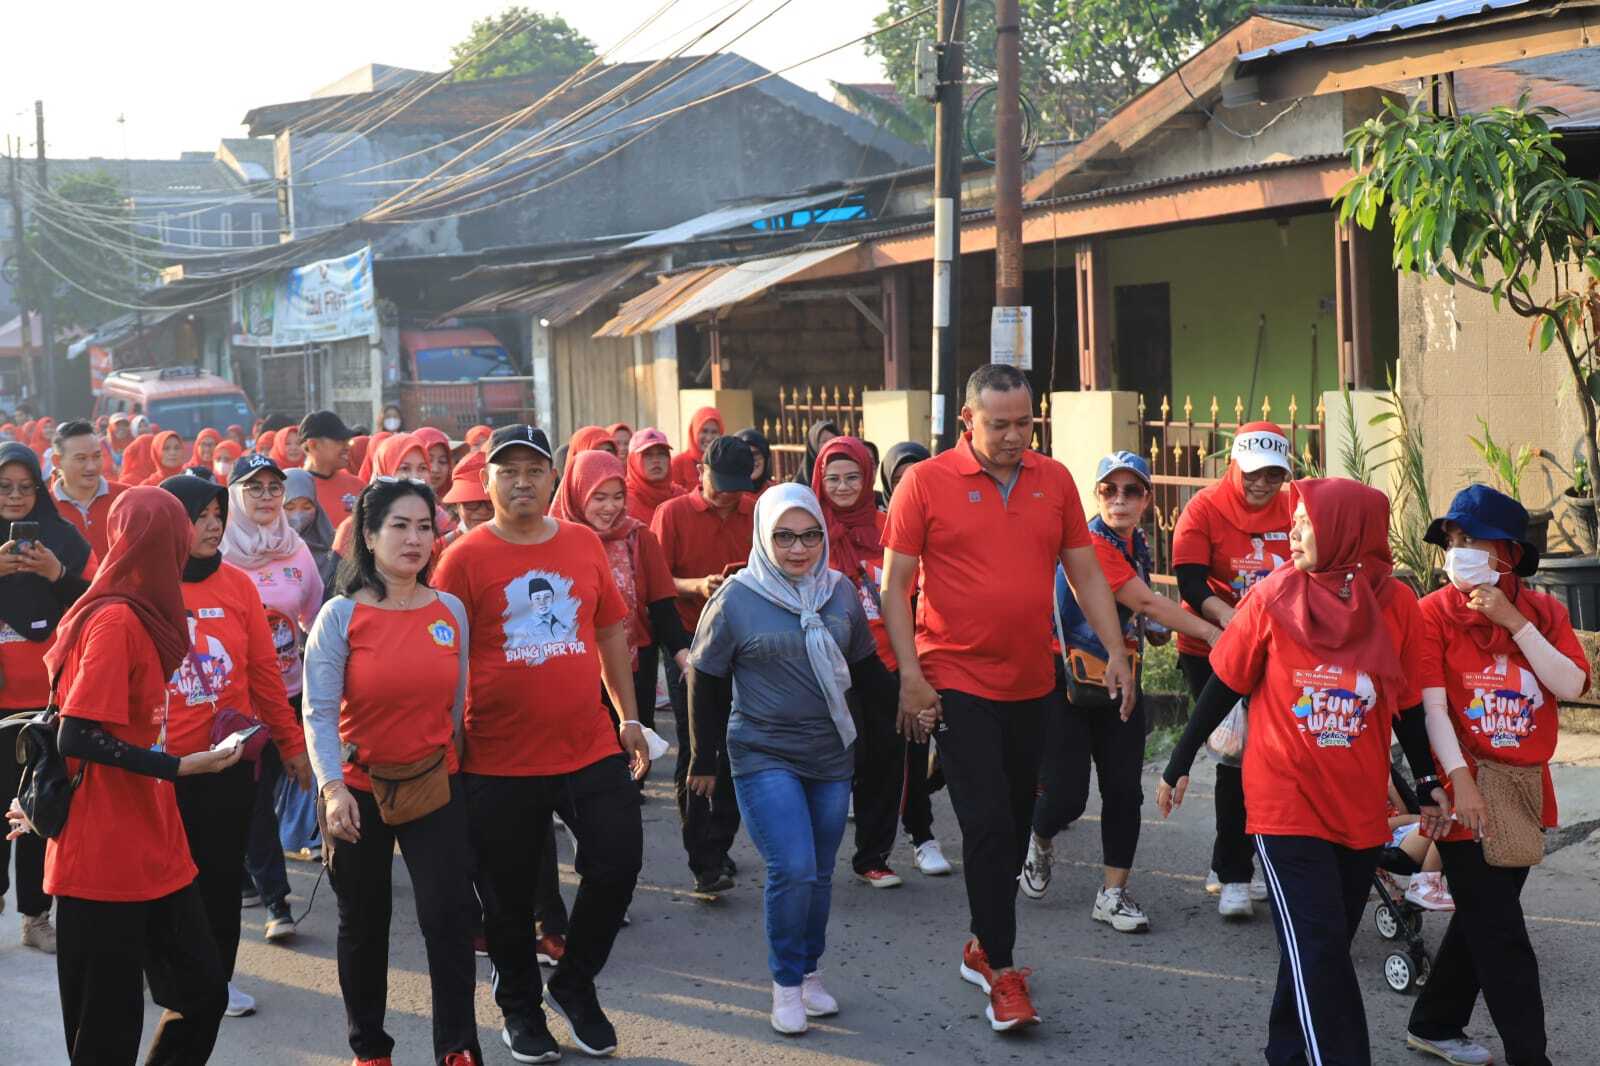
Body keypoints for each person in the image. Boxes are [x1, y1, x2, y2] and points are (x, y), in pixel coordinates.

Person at [1157, 478, 1445, 1066]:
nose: (1291, 531)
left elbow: (1409, 703)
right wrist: (1178, 761)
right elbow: (1223, 686)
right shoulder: (1271, 598)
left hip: (1358, 807)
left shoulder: (1395, 607)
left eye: (1306, 522)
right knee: (1317, 946)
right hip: (1283, 804)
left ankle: (1286, 1051)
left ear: (1348, 531)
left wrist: (1427, 782)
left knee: (1320, 946)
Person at [880, 364, 1132, 1032]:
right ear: (968, 421)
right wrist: (911, 674)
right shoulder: (924, 482)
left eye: (1025, 423)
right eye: (1000, 425)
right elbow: (895, 586)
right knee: (988, 822)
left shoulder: (1054, 482)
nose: (1015, 436)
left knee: (1017, 821)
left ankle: (980, 942)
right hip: (956, 677)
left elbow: (1084, 572)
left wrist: (1115, 652)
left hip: (1034, 680)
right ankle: (1001, 967)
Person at [433, 425, 649, 1062]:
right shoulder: (463, 558)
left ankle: (575, 982)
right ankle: (520, 1008)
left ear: (554, 479)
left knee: (618, 859)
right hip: (496, 754)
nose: (522, 481)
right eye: (508, 472)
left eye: (533, 469)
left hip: (587, 743)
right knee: (507, 894)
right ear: (489, 481)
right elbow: (441, 655)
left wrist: (629, 717)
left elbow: (610, 632)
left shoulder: (583, 544)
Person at [7, 487, 238, 1064]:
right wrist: (179, 766)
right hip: (103, 855)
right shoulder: (116, 620)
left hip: (155, 846)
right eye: (183, 528)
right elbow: (77, 734)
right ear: (155, 542)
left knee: (203, 995)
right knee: (105, 1035)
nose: (194, 539)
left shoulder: (139, 613)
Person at [687, 483, 899, 1035]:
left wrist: (916, 705)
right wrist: (703, 759)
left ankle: (809, 973)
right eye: (784, 536)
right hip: (761, 751)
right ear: (764, 535)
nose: (798, 548)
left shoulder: (839, 593)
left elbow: (868, 670)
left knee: (820, 873)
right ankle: (784, 984)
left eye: (809, 536)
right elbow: (705, 681)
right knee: (794, 867)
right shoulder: (736, 598)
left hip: (831, 753)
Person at [1403, 485, 1589, 1066]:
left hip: (1525, 786)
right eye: (1451, 541)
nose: (1456, 550)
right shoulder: (1431, 613)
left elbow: (1572, 685)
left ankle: (1435, 1022)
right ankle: (1531, 1058)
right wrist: (1458, 782)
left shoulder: (1544, 612)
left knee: (1485, 916)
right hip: (1467, 785)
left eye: (1469, 539)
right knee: (1503, 936)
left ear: (1506, 553)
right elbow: (1431, 707)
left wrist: (1513, 621)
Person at [302, 478, 479, 1066]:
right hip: (357, 790)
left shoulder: (449, 610)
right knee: (364, 920)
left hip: (435, 781)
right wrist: (331, 790)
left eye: (424, 526)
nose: (414, 538)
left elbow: (454, 709)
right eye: (399, 526)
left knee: (449, 916)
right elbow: (319, 712)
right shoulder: (340, 616)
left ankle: (457, 1046)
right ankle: (370, 1048)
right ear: (369, 537)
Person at [1018, 452, 1223, 932]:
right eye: (1110, 490)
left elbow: (1140, 606)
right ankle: (1040, 838)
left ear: (1147, 499)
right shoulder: (1091, 542)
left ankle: (1113, 892)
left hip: (1122, 677)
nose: (1120, 499)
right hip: (1066, 680)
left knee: (1123, 791)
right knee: (1067, 797)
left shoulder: (1137, 543)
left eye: (1131, 491)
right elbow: (1146, 599)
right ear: (1097, 494)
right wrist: (1213, 633)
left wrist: (1151, 629)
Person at [159, 474, 313, 1020]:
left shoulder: (237, 587)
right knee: (164, 884)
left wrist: (293, 746)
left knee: (220, 882)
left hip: (226, 763)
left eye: (217, 514)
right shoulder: (145, 586)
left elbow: (266, 677)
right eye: (198, 516)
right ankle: (168, 976)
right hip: (161, 770)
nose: (212, 525)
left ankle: (216, 982)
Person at [1171, 421, 1295, 918]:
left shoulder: (1296, 507)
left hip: (1279, 653)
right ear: (1233, 467)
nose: (1262, 484)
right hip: (1212, 650)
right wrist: (1233, 622)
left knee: (1276, 758)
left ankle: (1258, 855)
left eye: (1273, 475)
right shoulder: (1203, 508)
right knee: (1234, 756)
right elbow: (1190, 583)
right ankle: (1233, 874)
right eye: (1253, 474)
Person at [222, 452, 326, 942]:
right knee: (256, 797)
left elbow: (315, 616)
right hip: (239, 701)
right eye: (254, 488)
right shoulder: (218, 551)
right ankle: (276, 902)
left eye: (273, 488)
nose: (266, 498)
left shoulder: (295, 549)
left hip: (292, 691)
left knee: (303, 783)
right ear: (234, 495)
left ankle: (251, 872)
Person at [651, 435, 757, 894]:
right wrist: (696, 586)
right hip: (689, 644)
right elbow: (655, 583)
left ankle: (719, 845)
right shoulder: (672, 514)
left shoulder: (755, 512)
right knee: (698, 748)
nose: (728, 495)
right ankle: (702, 858)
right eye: (720, 484)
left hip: (744, 644)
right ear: (699, 473)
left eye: (737, 486)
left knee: (738, 747)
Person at [0, 441, 91, 953]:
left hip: (51, 700)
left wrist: (55, 573)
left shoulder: (64, 540)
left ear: (39, 487)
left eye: (24, 486)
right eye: (4, 486)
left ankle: (36, 916)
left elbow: (98, 602)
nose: (15, 496)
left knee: (37, 805)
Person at [811, 435, 908, 887]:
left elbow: (912, 588)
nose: (844, 486)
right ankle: (814, 853)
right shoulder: (809, 530)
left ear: (868, 477)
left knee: (885, 760)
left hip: (886, 661)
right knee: (836, 760)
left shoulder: (890, 524)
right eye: (833, 478)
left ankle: (873, 855)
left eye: (853, 477)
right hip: (828, 664)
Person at [556, 449, 690, 731]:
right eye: (599, 497)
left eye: (618, 497)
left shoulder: (638, 537)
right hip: (571, 669)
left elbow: (663, 606)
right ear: (578, 493)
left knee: (633, 750)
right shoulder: (555, 539)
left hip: (633, 668)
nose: (610, 507)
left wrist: (684, 658)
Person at [874, 441, 948, 874]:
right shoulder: (882, 529)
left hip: (950, 648)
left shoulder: (949, 522)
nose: (910, 491)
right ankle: (921, 833)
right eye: (901, 482)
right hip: (900, 656)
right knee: (912, 745)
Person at [49, 420, 128, 569]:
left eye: (97, 456)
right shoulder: (44, 506)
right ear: (57, 461)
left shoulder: (127, 497)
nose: (91, 466)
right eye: (81, 458)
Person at [299, 409, 363, 521]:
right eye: (339, 441)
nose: (347, 447)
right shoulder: (293, 488)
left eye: (348, 441)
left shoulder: (358, 486)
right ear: (313, 445)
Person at [284, 468, 340, 596]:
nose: (298, 515)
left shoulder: (334, 547)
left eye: (307, 507)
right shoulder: (264, 547)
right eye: (289, 507)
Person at [624, 427, 681, 524]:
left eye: (662, 454)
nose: (656, 460)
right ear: (633, 460)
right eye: (648, 455)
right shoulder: (624, 501)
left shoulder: (680, 496)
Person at [440, 450, 493, 549]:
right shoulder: (440, 549)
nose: (482, 511)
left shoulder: (521, 544)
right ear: (456, 505)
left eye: (490, 502)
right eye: (471, 503)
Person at [669, 406, 723, 490]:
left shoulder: (725, 461)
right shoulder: (677, 464)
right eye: (704, 431)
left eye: (714, 432)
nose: (709, 438)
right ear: (694, 432)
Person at [791, 419, 841, 485]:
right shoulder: (801, 483)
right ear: (814, 445)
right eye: (824, 441)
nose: (830, 444)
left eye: (833, 440)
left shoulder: (847, 467)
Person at [737, 427, 774, 494]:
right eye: (745, 455)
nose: (751, 460)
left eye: (756, 454)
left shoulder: (778, 492)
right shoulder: (727, 497)